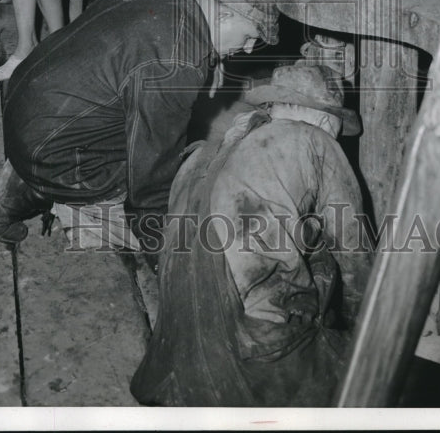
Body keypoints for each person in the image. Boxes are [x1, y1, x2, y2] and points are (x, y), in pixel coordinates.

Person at [129, 58, 372, 408]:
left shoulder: (204, 153)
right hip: (257, 347)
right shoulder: (315, 140)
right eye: (336, 128)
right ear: (324, 119)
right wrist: (365, 334)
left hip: (174, 353)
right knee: (377, 384)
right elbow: (354, 254)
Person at [0, 0, 279, 251]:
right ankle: (52, 195)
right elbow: (150, 178)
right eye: (249, 36)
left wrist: (207, 61)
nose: (248, 48)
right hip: (50, 152)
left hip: (26, 102)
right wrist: (163, 246)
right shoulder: (177, 64)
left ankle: (32, 174)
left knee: (165, 119)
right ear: (223, 15)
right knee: (184, 214)